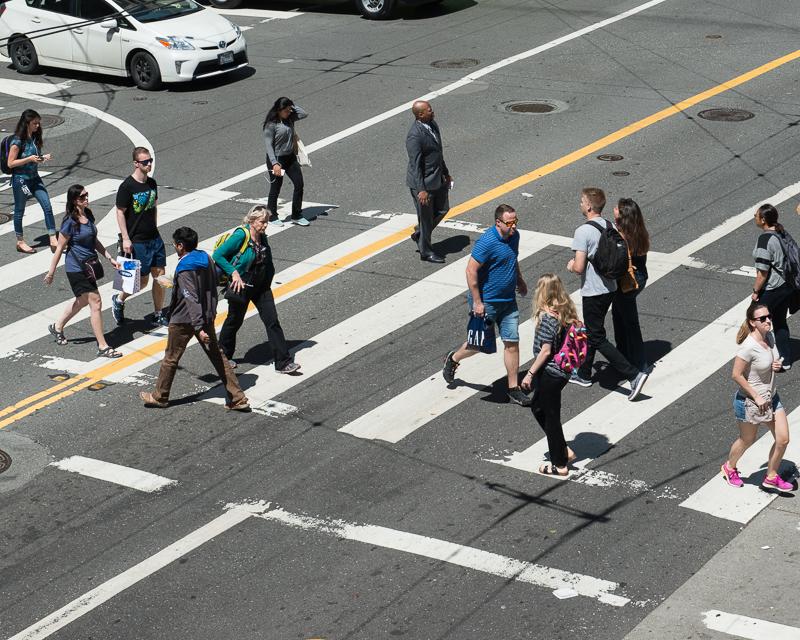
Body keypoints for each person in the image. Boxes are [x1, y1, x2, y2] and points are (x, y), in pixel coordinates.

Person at [139, 227, 250, 411]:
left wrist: (199, 327)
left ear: (181, 246)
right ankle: (238, 398)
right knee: (218, 357)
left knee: (171, 358)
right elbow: (211, 285)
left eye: (175, 244)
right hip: (205, 316)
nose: (174, 247)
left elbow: (191, 298)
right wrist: (207, 316)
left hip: (185, 319)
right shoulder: (205, 258)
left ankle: (160, 396)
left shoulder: (184, 268)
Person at [442, 204, 530, 406]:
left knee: (512, 342)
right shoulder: (487, 242)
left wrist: (520, 281)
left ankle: (513, 388)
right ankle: (454, 358)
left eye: (515, 221)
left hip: (508, 302)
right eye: (509, 223)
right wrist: (478, 302)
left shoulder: (514, 237)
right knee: (478, 345)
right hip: (487, 303)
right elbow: (470, 271)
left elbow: (512, 260)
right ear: (498, 222)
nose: (514, 226)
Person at [567, 187, 648, 400]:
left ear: (589, 206)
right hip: (611, 288)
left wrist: (570, 265)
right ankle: (584, 373)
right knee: (595, 329)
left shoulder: (582, 231)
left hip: (594, 290)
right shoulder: (610, 225)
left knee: (596, 335)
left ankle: (633, 375)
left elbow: (579, 266)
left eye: (582, 201)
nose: (580, 204)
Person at [213, 205, 301, 374]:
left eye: (266, 221)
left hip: (261, 286)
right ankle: (223, 356)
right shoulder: (241, 235)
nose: (265, 225)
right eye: (262, 222)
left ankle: (283, 362)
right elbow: (218, 255)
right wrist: (234, 273)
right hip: (242, 285)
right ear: (252, 221)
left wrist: (269, 277)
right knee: (234, 320)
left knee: (272, 321)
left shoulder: (262, 236)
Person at [43, 185, 122, 358]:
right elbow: (59, 248)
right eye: (82, 197)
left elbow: (94, 240)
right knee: (96, 301)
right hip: (76, 268)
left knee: (82, 300)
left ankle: (57, 326)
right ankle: (102, 346)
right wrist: (51, 273)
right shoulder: (69, 223)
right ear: (74, 201)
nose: (86, 198)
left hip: (89, 265)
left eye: (86, 195)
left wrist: (109, 257)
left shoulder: (89, 215)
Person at [721, 302, 793, 491]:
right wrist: (756, 396)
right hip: (750, 403)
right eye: (763, 318)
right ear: (753, 323)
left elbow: (771, 360)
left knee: (783, 439)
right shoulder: (748, 347)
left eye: (768, 316)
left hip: (772, 398)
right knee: (747, 440)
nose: (768, 320)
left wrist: (777, 365)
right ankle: (729, 467)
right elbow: (735, 374)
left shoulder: (769, 336)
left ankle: (771, 476)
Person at [521, 274, 578, 476]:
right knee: (538, 407)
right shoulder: (564, 310)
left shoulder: (547, 317)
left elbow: (545, 351)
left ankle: (559, 464)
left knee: (551, 416)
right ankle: (562, 449)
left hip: (550, 373)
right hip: (562, 371)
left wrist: (529, 374)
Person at [111, 146, 167, 327]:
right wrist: (126, 238)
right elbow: (120, 212)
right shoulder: (127, 187)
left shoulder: (152, 183)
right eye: (145, 162)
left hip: (154, 238)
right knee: (140, 282)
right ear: (136, 163)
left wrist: (155, 227)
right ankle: (119, 299)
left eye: (150, 161)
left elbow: (154, 207)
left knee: (160, 277)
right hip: (137, 241)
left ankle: (158, 313)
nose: (149, 164)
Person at [405, 100, 452, 263]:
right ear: (420, 114)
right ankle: (426, 252)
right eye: (429, 110)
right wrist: (421, 190)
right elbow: (415, 164)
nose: (433, 112)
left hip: (437, 178)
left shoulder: (432, 124)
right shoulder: (414, 136)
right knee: (425, 219)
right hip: (423, 184)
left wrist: (446, 173)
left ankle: (420, 234)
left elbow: (438, 153)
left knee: (443, 209)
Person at [7, 109, 56, 254]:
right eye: (35, 123)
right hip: (21, 180)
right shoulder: (17, 141)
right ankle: (20, 242)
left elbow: (34, 156)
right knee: (19, 211)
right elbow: (11, 163)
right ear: (27, 123)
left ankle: (53, 238)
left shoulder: (34, 137)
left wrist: (42, 157)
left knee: (47, 205)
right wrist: (29, 159)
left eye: (38, 123)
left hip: (35, 178)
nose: (38, 126)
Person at [752, 203, 793, 369]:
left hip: (772, 288)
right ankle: (786, 359)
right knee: (779, 321)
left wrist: (755, 292)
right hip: (786, 286)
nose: (754, 217)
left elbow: (762, 273)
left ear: (763, 220)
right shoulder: (781, 232)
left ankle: (758, 359)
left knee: (753, 322)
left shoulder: (764, 239)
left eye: (756, 215)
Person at [611, 198, 650, 372]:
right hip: (639, 278)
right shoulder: (639, 231)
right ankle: (623, 356)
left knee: (629, 321)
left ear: (623, 216)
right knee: (619, 315)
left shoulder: (622, 236)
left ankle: (639, 363)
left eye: (617, 209)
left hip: (627, 281)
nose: (614, 209)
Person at [263, 97, 310, 227]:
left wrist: (292, 106)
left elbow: (304, 114)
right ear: (279, 110)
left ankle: (296, 215)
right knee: (276, 188)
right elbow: (268, 146)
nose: (289, 112)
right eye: (286, 110)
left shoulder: (290, 118)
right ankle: (272, 216)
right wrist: (275, 163)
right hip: (277, 160)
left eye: (290, 110)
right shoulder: (271, 125)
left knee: (299, 184)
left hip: (290, 158)